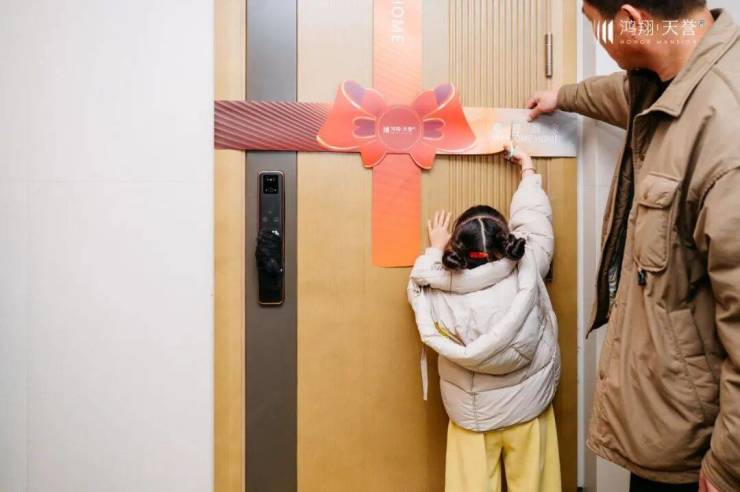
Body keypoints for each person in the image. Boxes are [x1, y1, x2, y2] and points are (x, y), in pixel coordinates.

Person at [526, 1, 740, 491]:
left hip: (701, 450)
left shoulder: (726, 139)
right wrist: (563, 96)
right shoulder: (669, 74)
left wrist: (728, 467)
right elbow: (621, 95)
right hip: (662, 419)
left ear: (629, 21)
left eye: (592, 23)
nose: (595, 36)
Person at [407, 146, 561, 491]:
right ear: (507, 242)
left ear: (457, 248)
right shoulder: (528, 265)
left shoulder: (439, 292)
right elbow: (537, 226)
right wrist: (528, 169)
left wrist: (435, 250)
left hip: (472, 417)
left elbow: (422, 284)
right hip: (528, 407)